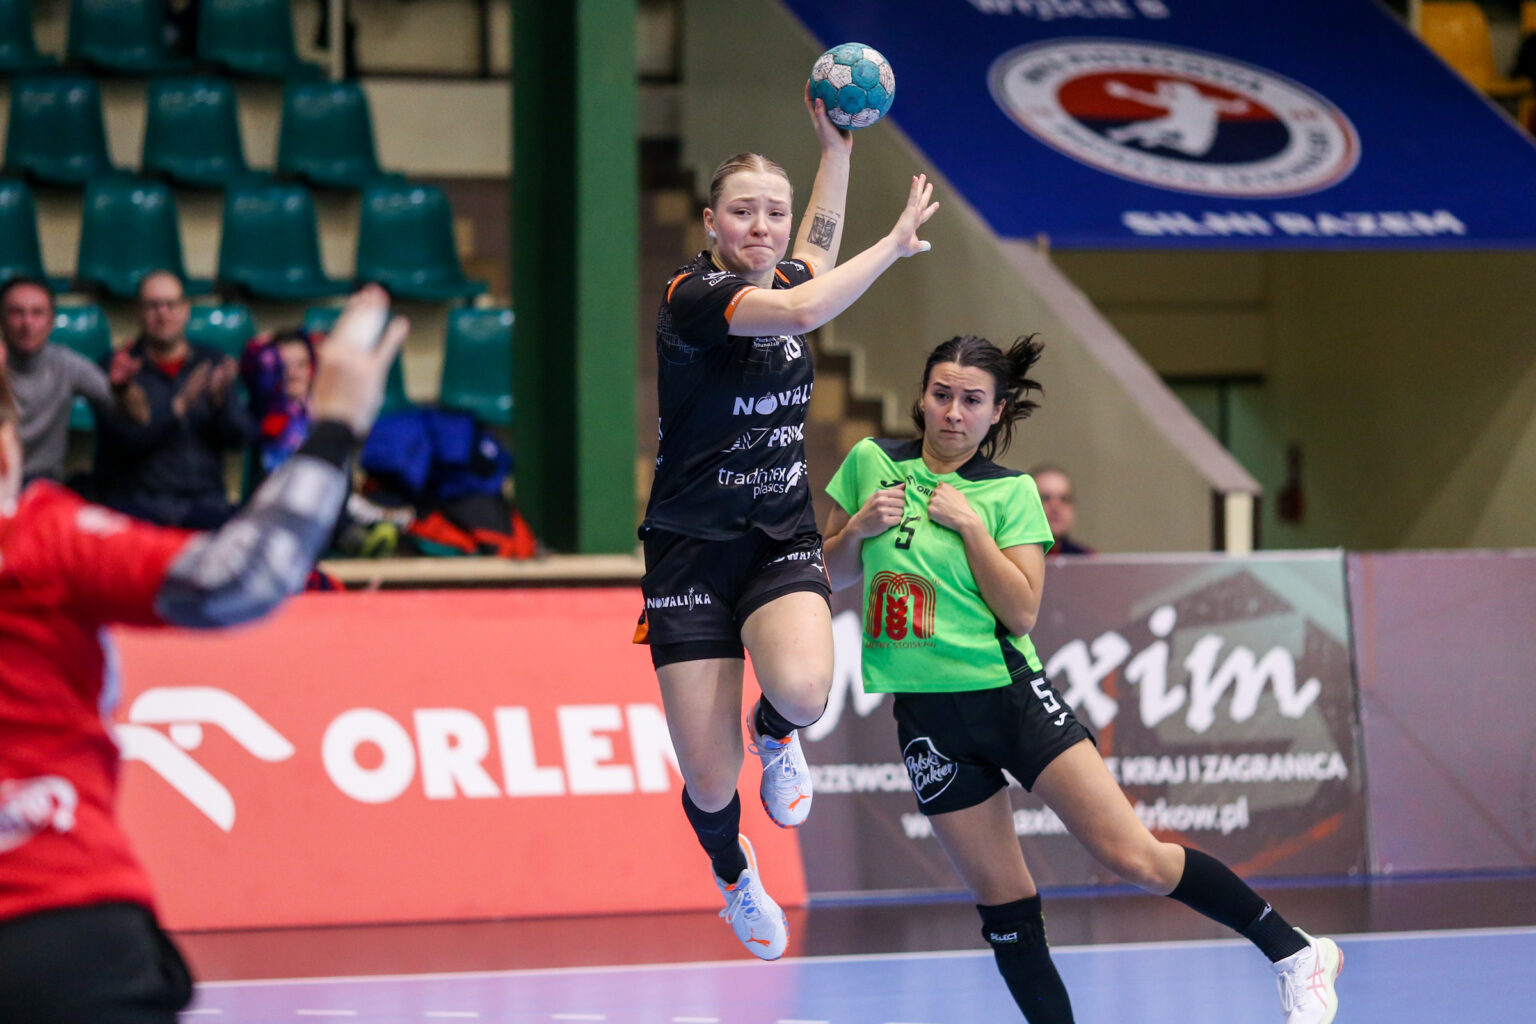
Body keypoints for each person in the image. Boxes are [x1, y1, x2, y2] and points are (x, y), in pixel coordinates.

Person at [821, 335, 1342, 1024]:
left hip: (1010, 699)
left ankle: (1296, 953)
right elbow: (830, 573)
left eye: (972, 400)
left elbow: (1021, 611)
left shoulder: (1009, 492)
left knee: (1135, 857)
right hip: (926, 717)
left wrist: (972, 528)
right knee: (1003, 906)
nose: (952, 412)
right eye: (941, 394)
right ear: (922, 396)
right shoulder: (871, 462)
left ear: (996, 411)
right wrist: (858, 529)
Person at [0, 286, 408, 1024]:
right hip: (54, 920)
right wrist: (336, 424)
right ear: (7, 448)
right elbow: (242, 576)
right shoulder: (34, 539)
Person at [633, 87, 938, 960]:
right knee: (707, 779)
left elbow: (815, 253)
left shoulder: (790, 271)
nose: (762, 227)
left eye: (774, 211)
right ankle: (734, 874)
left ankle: (774, 734)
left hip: (777, 535)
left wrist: (835, 150)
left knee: (805, 692)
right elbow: (806, 311)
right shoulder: (695, 295)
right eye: (743, 212)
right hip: (689, 555)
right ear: (712, 222)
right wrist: (893, 245)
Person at [93, 270, 255, 529]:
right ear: (137, 311)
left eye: (171, 304)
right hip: (141, 508)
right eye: (153, 306)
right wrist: (177, 408)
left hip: (206, 504)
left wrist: (221, 404)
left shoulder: (211, 361)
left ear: (186, 309)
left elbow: (241, 439)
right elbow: (118, 443)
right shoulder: (119, 367)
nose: (163, 314)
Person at [0, 275, 128, 485]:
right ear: (2, 319)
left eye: (37, 313)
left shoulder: (66, 363)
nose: (27, 323)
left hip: (44, 483)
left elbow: (120, 409)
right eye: (16, 313)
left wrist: (123, 389)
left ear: (51, 321)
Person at [1028, 464, 1093, 555]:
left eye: (1064, 499)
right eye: (1045, 498)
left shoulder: (1088, 559)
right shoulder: (1011, 558)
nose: (1055, 506)